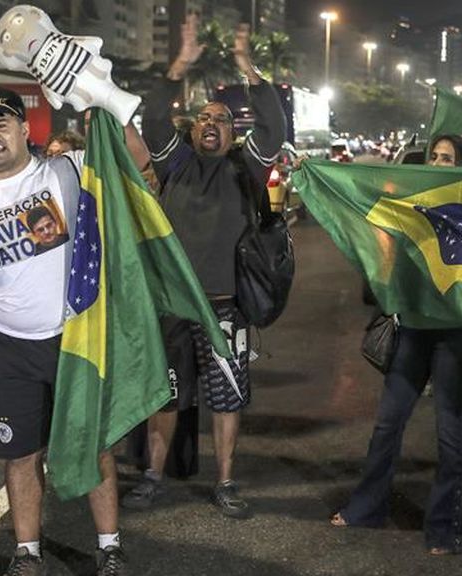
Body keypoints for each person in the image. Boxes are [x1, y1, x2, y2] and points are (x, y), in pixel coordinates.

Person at [0, 87, 143, 576]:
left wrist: (102, 91)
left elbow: (138, 156)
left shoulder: (68, 170)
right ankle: (28, 551)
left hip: (76, 336)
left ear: (25, 130)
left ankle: (109, 545)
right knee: (21, 453)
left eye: (0, 124)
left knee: (93, 443)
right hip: (6, 346)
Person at [125, 15, 285, 518]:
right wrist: (180, 64)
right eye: (203, 119)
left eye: (220, 118)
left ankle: (226, 482)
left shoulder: (247, 164)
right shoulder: (175, 162)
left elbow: (275, 126)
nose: (210, 123)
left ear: (233, 129)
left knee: (227, 399)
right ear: (192, 130)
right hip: (172, 306)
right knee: (165, 396)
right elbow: (152, 118)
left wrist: (246, 68)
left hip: (224, 310)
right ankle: (152, 477)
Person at [329, 134, 462, 557]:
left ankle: (442, 527)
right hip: (414, 329)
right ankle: (367, 508)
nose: (437, 162)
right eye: (434, 155)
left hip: (457, 335)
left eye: (447, 158)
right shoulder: (414, 202)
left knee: (450, 430)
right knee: (387, 423)